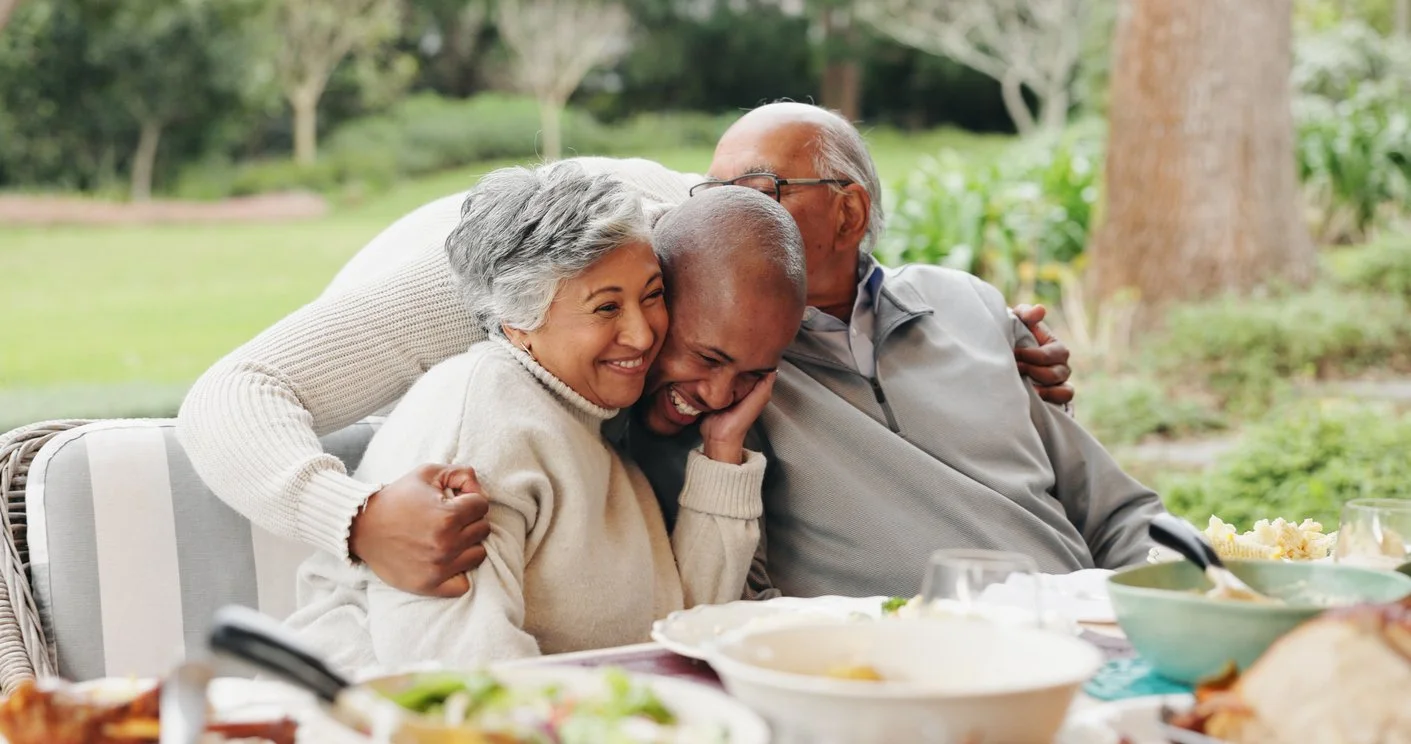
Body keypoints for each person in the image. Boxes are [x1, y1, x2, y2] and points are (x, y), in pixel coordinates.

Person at [177, 119, 1076, 600]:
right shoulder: (564, 263)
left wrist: (992, 340)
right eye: (702, 354)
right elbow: (237, 390)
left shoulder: (748, 284)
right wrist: (357, 516)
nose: (648, 345)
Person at [284, 163, 790, 674]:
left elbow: (681, 621)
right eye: (606, 308)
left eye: (652, 295)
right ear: (519, 323)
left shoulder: (587, 415)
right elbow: (459, 669)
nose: (642, 334)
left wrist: (723, 454)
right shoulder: (488, 415)